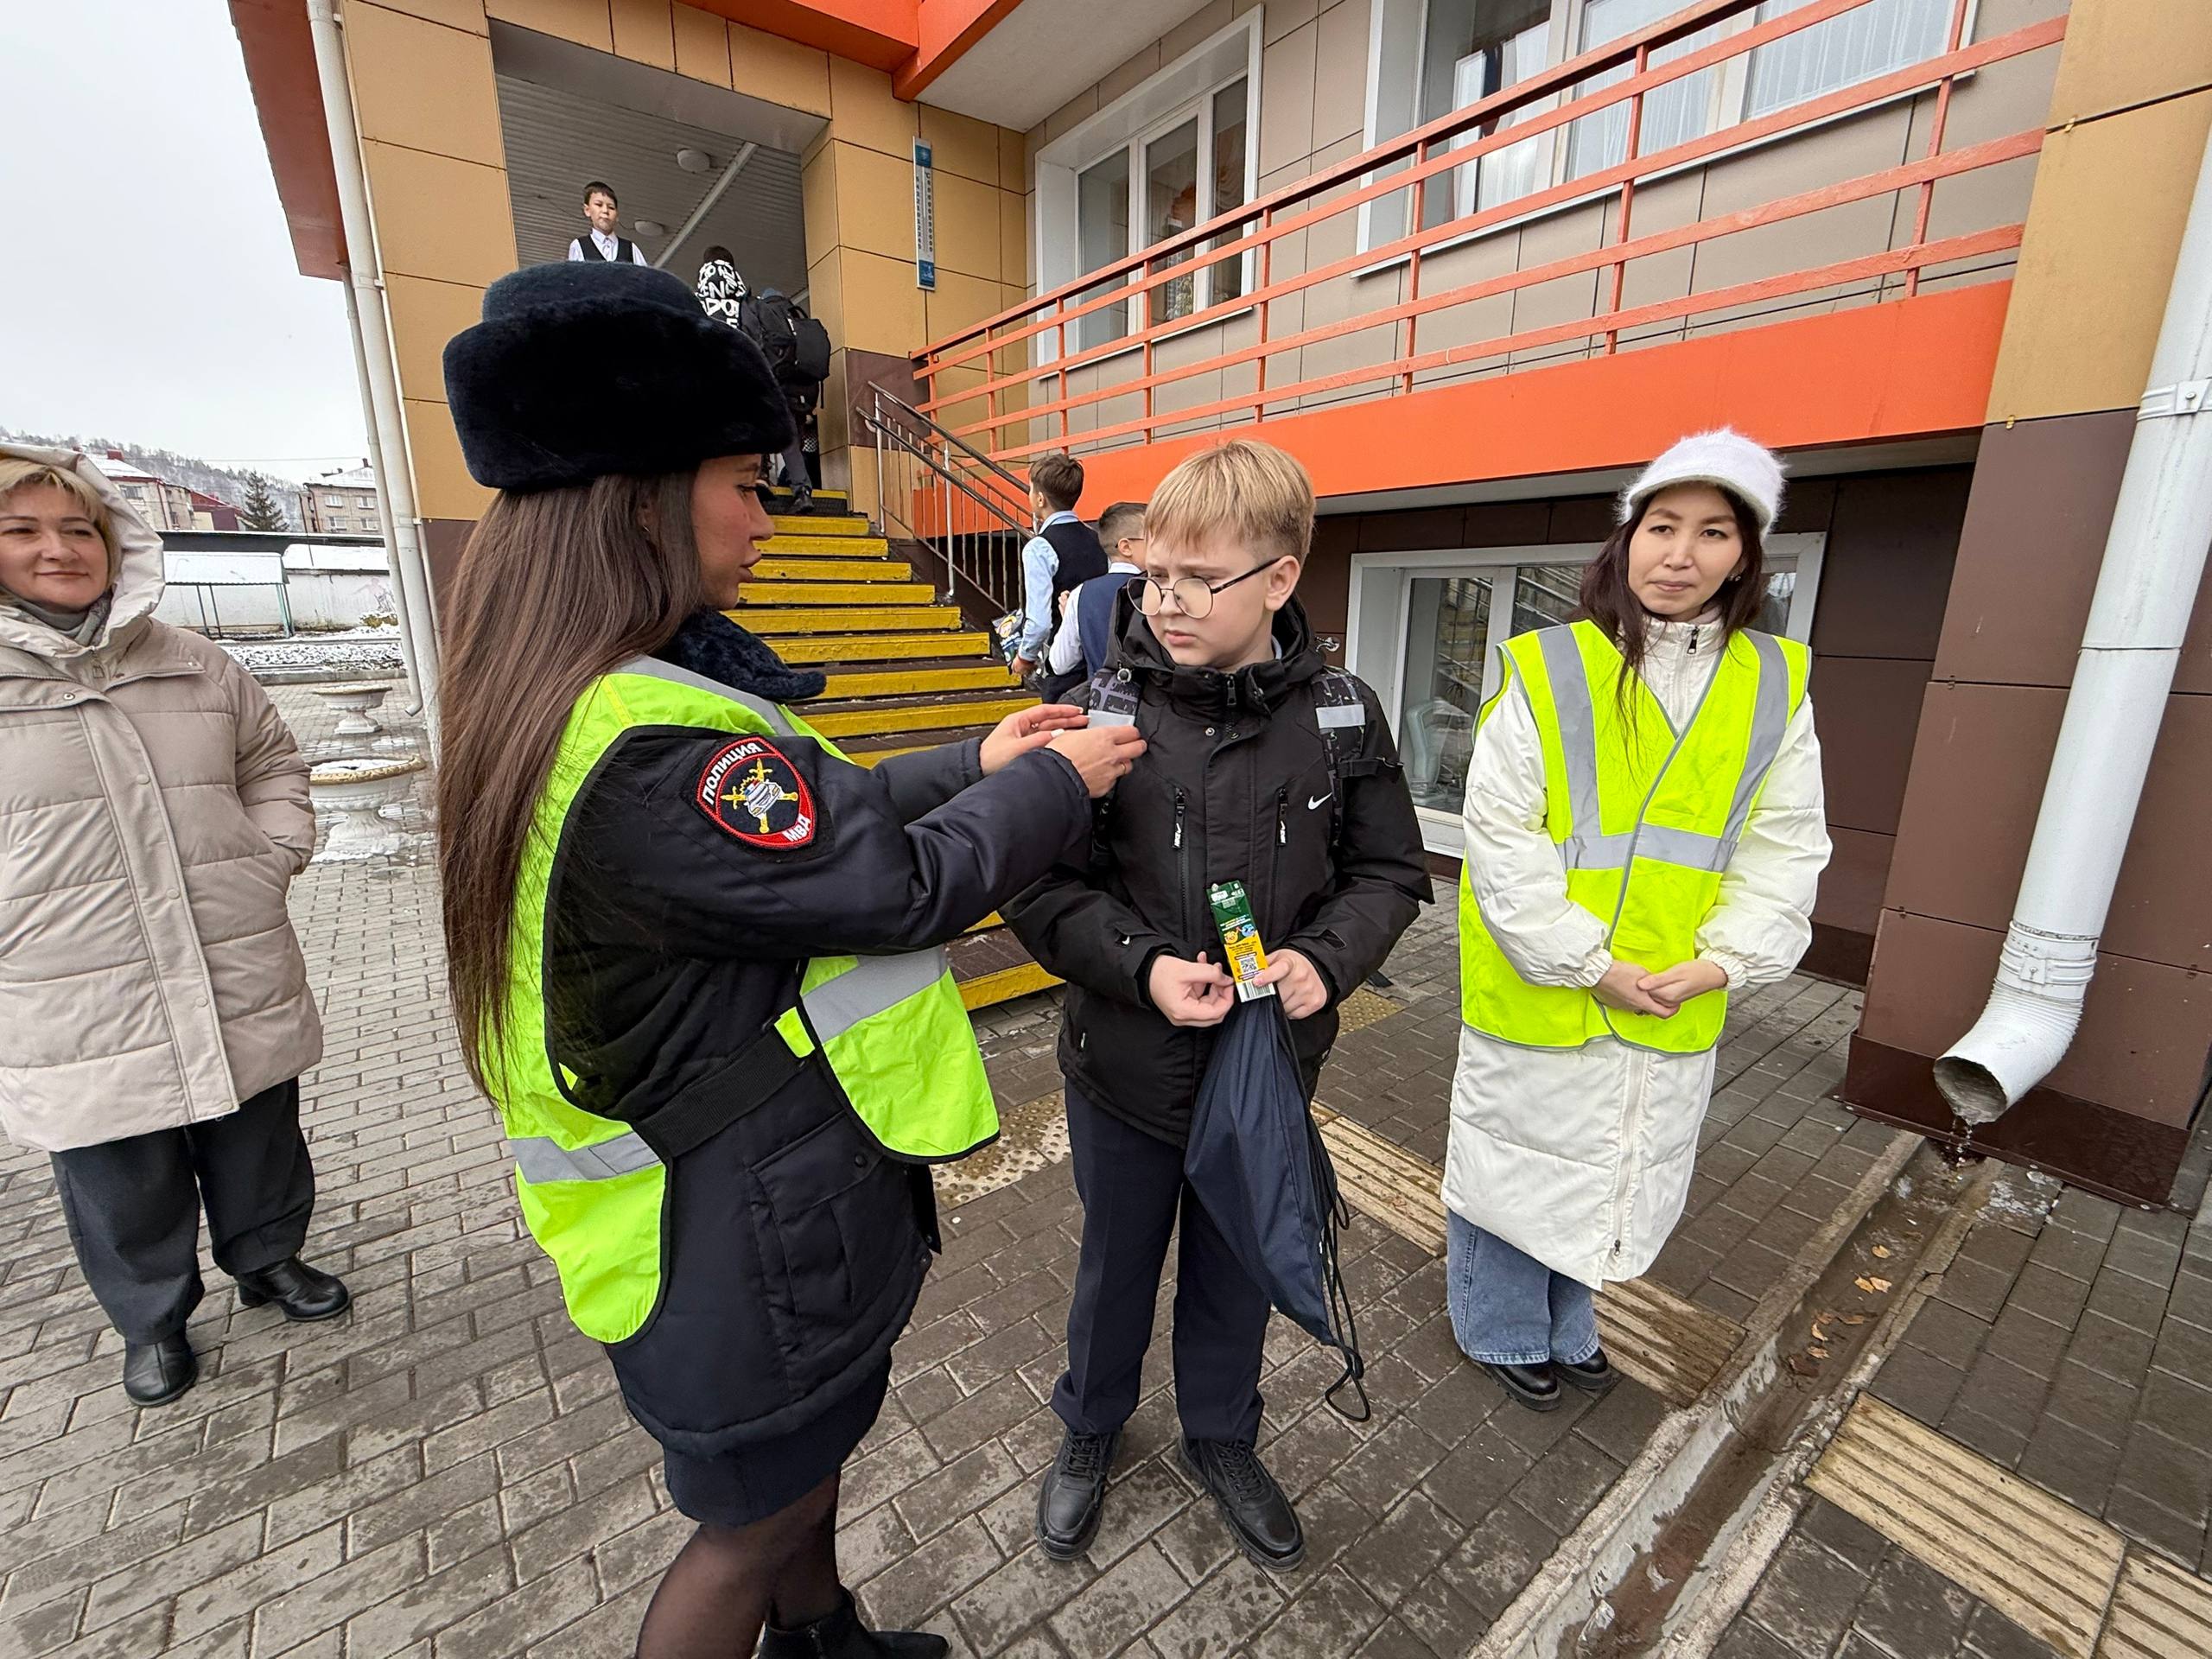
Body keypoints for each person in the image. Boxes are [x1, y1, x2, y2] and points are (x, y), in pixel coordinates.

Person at [435, 261, 1144, 1659]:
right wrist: (1068, 785)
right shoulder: (650, 752)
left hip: (741, 1203)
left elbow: (810, 819)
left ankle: (827, 1639)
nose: (768, 512)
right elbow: (894, 887)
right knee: (740, 1536)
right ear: (639, 497)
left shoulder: (604, 702)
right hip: (726, 1235)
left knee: (795, 1480)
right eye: (746, 483)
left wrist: (976, 755)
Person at [1006, 440, 1429, 1571]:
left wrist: (1323, 964)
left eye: (1200, 580)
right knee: (1117, 1264)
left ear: (1280, 579)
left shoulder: (1344, 714)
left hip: (1269, 1065)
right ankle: (1090, 1427)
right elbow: (1039, 885)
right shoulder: (1097, 706)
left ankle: (1222, 1436)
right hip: (1124, 1066)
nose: (1169, 602)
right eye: (1154, 577)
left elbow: (1392, 875)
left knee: (1236, 1263)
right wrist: (1140, 966)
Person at [1444, 429, 1830, 1412]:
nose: (1679, 554)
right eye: (1661, 526)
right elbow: (1501, 839)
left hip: (1672, 991)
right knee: (1511, 1171)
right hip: (1548, 983)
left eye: (1711, 533)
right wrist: (1586, 962)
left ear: (1744, 555)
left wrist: (1727, 962)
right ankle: (1496, 1329)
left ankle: (1569, 1324)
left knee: (1612, 1166)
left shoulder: (1775, 681)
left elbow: (1785, 843)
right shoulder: (1547, 665)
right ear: (1626, 540)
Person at [0, 446, 349, 1408]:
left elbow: (274, 760)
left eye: (79, 529)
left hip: (224, 948)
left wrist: (269, 853)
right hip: (70, 982)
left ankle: (269, 1260)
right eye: (22, 530)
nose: (59, 550)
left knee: (256, 1132)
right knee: (119, 1169)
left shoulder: (193, 661)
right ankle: (152, 1320)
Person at [697, 246, 814, 516]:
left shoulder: (697, 299)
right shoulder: (749, 303)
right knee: (782, 436)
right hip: (757, 381)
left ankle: (729, 491)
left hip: (715, 387)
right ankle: (798, 489)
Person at [1007, 452, 1106, 683]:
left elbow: (1040, 622)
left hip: (1062, 661)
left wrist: (1025, 656)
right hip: (1099, 655)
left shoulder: (1039, 548)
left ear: (1040, 499)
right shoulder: (1098, 539)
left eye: (1030, 489)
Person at [1041, 499, 1146, 698]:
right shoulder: (1156, 588)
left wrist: (1071, 619)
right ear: (1126, 547)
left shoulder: (1080, 595)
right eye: (1153, 538)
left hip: (1103, 704)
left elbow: (1060, 663)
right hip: (1157, 708)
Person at [568, 181, 649, 265]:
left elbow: (645, 277)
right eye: (599, 205)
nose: (605, 211)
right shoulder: (579, 246)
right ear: (587, 210)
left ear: (617, 216)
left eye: (611, 207)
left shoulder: (630, 249)